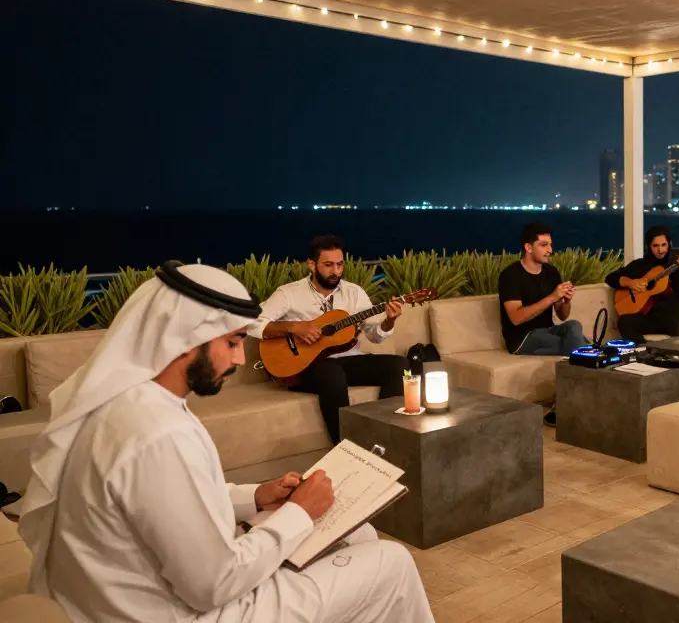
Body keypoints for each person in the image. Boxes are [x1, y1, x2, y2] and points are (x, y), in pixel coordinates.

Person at [19, 263, 432, 622]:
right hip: (180, 611)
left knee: (358, 535)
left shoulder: (125, 405)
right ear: (186, 340)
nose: (239, 359)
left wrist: (257, 495)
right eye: (232, 343)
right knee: (392, 561)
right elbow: (213, 585)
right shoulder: (158, 433)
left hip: (149, 589)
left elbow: (167, 499)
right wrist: (300, 512)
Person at [251, 235, 408, 444]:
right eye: (328, 265)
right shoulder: (289, 293)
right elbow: (253, 324)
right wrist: (294, 327)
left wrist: (389, 321)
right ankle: (347, 448)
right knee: (332, 374)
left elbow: (375, 336)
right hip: (305, 367)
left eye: (339, 264)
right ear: (311, 264)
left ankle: (384, 438)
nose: (336, 271)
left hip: (348, 361)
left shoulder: (354, 293)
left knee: (399, 366)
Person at [498, 222, 588, 355]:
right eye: (544, 245)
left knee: (574, 325)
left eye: (550, 244)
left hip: (548, 331)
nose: (550, 250)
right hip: (522, 338)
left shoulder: (551, 272)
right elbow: (516, 318)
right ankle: (587, 352)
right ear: (528, 248)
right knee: (574, 343)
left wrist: (566, 301)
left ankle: (584, 352)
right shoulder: (510, 275)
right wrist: (552, 297)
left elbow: (562, 316)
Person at [605, 225, 679, 342]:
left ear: (669, 244)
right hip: (647, 319)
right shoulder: (640, 265)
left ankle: (675, 352)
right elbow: (610, 278)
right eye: (655, 246)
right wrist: (630, 283)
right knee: (625, 322)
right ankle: (643, 350)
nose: (660, 250)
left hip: (672, 320)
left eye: (663, 245)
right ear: (649, 246)